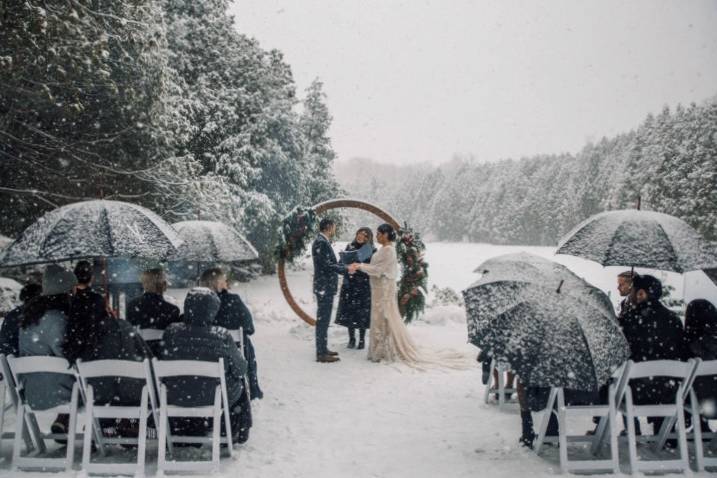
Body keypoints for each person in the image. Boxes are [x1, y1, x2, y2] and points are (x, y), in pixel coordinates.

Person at [349, 223, 467, 368]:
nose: (377, 236)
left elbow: (378, 269)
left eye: (379, 233)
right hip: (379, 288)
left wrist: (360, 266)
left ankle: (384, 349)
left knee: (384, 317)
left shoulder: (388, 250)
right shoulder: (384, 249)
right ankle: (379, 349)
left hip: (384, 289)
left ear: (386, 234)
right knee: (380, 317)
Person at [160, 288, 251, 444]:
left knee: (192, 384)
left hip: (176, 395)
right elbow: (240, 369)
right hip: (213, 397)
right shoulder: (221, 335)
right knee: (241, 384)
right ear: (213, 310)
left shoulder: (171, 332)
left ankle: (185, 430)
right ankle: (233, 431)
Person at [620, 274, 688, 435]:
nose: (630, 294)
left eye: (633, 291)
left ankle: (632, 430)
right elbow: (680, 353)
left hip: (636, 394)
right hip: (669, 393)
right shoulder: (674, 319)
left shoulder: (630, 319)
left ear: (641, 294)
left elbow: (622, 353)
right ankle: (664, 433)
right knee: (659, 380)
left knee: (617, 383)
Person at [18, 265, 77, 436]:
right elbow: (65, 356)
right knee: (93, 383)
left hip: (32, 394)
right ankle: (97, 432)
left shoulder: (28, 318)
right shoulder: (58, 319)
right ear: (66, 292)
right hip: (58, 395)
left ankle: (63, 422)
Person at [200, 267, 263, 400]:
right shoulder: (233, 301)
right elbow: (249, 328)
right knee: (245, 342)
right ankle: (251, 387)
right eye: (224, 280)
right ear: (218, 284)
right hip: (234, 356)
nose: (226, 283)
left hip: (207, 354)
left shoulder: (198, 304)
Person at [311, 218, 348, 363]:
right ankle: (321, 353)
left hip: (324, 287)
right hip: (324, 287)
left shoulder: (322, 241)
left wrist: (341, 262)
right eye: (334, 226)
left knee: (324, 320)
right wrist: (344, 269)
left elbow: (328, 263)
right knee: (323, 320)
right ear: (328, 227)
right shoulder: (321, 242)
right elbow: (326, 265)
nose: (335, 229)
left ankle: (323, 349)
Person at [335, 227, 375, 349]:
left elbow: (374, 268)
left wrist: (359, 268)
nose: (360, 236)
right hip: (350, 285)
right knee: (350, 312)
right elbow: (340, 265)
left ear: (368, 237)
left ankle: (362, 339)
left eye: (364, 234)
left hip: (363, 285)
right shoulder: (349, 247)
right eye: (359, 233)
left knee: (362, 313)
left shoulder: (372, 250)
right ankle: (351, 338)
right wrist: (346, 268)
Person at [127, 268, 181, 355]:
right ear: (163, 285)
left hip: (139, 353)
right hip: (163, 354)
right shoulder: (172, 310)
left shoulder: (132, 305)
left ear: (144, 284)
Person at [685, 299, 717, 432]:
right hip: (712, 404)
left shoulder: (690, 346)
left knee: (683, 385)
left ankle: (696, 423)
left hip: (702, 405)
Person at [0, 283, 42, 356]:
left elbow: (4, 344)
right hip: (35, 364)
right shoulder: (39, 316)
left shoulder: (12, 315)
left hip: (14, 363)